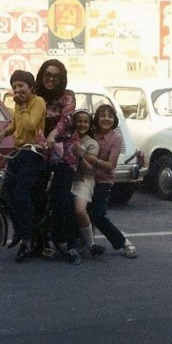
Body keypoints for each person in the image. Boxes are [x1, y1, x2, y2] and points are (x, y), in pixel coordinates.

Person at [0, 70, 46, 261]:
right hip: (18, 150)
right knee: (4, 192)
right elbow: (15, 125)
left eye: (21, 86)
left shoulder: (37, 102)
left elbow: (30, 125)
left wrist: (22, 106)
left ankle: (28, 237)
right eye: (14, 87)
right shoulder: (18, 105)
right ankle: (19, 230)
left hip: (33, 153)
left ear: (31, 87)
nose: (17, 90)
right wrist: (0, 134)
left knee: (21, 194)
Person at [34, 59, 80, 264]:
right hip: (41, 149)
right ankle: (40, 243)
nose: (51, 80)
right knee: (36, 196)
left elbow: (66, 120)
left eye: (56, 76)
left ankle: (70, 245)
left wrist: (52, 135)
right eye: (47, 75)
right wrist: (42, 140)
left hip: (65, 151)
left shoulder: (68, 96)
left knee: (63, 198)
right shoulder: (36, 95)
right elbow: (32, 119)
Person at [89, 104, 138, 258]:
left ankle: (123, 242)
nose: (106, 119)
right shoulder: (91, 135)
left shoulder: (115, 138)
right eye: (102, 115)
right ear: (96, 118)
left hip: (103, 181)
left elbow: (110, 166)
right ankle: (87, 242)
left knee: (98, 215)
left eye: (110, 116)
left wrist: (93, 160)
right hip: (86, 179)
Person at [69, 109, 106, 259]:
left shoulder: (92, 144)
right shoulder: (68, 139)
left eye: (85, 121)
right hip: (68, 178)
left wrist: (80, 156)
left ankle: (91, 244)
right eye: (79, 121)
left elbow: (89, 169)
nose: (82, 124)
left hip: (83, 179)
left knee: (79, 209)